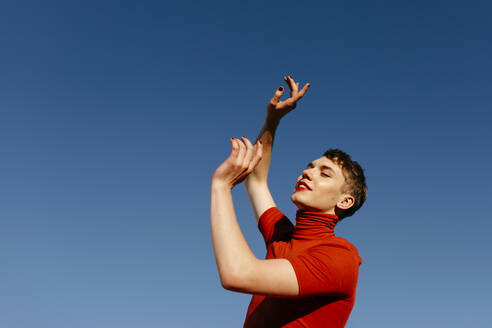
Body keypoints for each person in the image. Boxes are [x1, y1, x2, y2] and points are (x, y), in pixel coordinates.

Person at [210, 75, 367, 327]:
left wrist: (221, 186)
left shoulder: (340, 257)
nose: (308, 172)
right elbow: (256, 180)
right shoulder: (283, 235)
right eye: (310, 166)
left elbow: (236, 273)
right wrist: (273, 119)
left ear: (345, 201)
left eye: (324, 173)